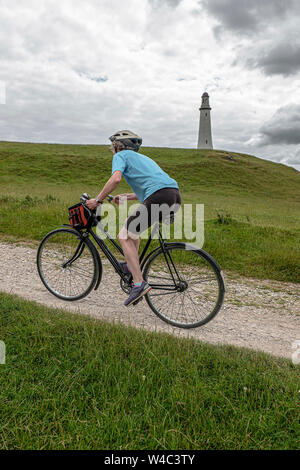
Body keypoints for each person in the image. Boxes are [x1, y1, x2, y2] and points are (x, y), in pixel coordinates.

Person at [86, 130, 181, 306]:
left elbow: (115, 179)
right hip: (173, 195)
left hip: (159, 196)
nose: (112, 151)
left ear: (117, 146)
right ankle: (131, 266)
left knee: (124, 235)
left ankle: (139, 283)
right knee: (132, 233)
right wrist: (126, 197)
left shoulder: (121, 156)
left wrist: (97, 200)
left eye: (112, 147)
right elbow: (155, 186)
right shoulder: (145, 159)